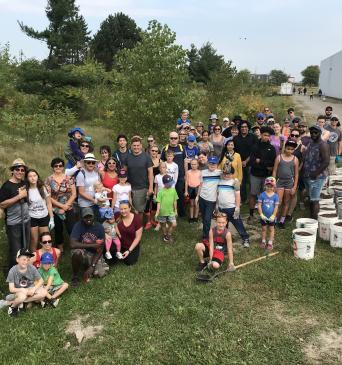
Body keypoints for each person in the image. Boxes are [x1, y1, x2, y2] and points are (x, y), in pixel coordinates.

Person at [0, 158, 30, 268]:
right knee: (16, 252)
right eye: (17, 169)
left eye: (22, 170)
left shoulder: (24, 183)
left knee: (25, 249)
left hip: (26, 222)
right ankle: (12, 275)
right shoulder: (6, 186)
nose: (20, 172)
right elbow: (2, 204)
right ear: (13, 170)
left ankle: (24, 274)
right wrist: (19, 196)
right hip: (14, 224)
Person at [45, 158, 76, 254]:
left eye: (60, 165)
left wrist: (66, 205)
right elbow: (48, 197)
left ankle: (75, 247)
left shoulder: (69, 178)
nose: (58, 167)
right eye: (56, 166)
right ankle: (60, 249)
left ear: (63, 167)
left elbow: (74, 194)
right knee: (58, 230)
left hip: (69, 207)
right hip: (55, 208)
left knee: (71, 228)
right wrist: (61, 207)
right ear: (52, 167)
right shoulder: (48, 180)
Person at [3, 248, 47, 317]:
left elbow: (41, 280)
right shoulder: (12, 270)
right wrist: (22, 290)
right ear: (17, 260)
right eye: (24, 259)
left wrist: (34, 288)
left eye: (28, 259)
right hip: (20, 291)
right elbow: (11, 289)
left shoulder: (31, 267)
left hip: (31, 289)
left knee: (44, 293)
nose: (26, 262)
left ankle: (15, 302)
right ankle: (13, 307)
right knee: (22, 296)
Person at [70, 207, 107, 287]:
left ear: (94, 216)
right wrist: (92, 245)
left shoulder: (99, 227)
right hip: (82, 250)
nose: (88, 219)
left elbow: (101, 248)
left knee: (100, 274)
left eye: (90, 216)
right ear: (82, 218)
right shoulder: (78, 225)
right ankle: (75, 276)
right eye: (85, 217)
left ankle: (88, 265)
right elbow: (72, 244)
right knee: (77, 253)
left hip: (94, 253)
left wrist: (92, 266)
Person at [247, 127, 276, 224]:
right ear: (261, 135)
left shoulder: (271, 148)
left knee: (266, 196)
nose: (266, 137)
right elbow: (252, 161)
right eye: (265, 135)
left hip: (266, 176)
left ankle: (265, 215)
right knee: (253, 194)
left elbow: (272, 163)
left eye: (268, 136)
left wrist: (260, 161)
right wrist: (265, 164)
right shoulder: (255, 146)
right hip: (255, 174)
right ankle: (251, 215)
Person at [217, 163, 250, 247]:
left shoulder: (234, 182)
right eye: (225, 174)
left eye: (229, 174)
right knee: (223, 225)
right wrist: (217, 205)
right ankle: (222, 240)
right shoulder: (220, 181)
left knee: (238, 223)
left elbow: (237, 196)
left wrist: (237, 207)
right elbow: (218, 194)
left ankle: (245, 238)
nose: (227, 175)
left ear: (232, 174)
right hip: (221, 208)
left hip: (231, 208)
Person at [302, 125, 330, 219]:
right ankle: (311, 218)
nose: (313, 134)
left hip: (317, 177)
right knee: (311, 198)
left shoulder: (323, 145)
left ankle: (314, 221)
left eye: (316, 132)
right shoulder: (311, 142)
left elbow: (326, 161)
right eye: (311, 132)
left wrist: (315, 173)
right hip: (307, 175)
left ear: (320, 133)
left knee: (315, 200)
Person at [272, 140, 299, 229]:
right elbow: (275, 171)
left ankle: (282, 221)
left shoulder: (295, 159)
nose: (289, 151)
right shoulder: (279, 157)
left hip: (289, 183)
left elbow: (296, 174)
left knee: (286, 202)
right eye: (288, 149)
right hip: (279, 181)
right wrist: (273, 183)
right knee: (278, 202)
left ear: (293, 150)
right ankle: (274, 220)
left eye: (291, 149)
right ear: (285, 148)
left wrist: (294, 187)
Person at [26, 169, 54, 251]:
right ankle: (33, 259)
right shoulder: (26, 190)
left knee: (45, 240)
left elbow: (49, 203)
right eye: (30, 176)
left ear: (37, 176)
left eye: (34, 175)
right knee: (34, 240)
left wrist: (51, 218)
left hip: (44, 217)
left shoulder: (43, 188)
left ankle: (47, 260)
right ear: (27, 178)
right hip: (32, 218)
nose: (33, 178)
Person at [126, 136, 154, 219]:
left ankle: (138, 228)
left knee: (139, 211)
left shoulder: (146, 157)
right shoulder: (128, 157)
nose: (136, 147)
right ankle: (131, 227)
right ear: (131, 146)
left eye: (138, 145)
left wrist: (151, 187)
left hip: (141, 187)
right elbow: (124, 172)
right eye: (134, 145)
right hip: (129, 187)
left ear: (141, 146)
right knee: (129, 209)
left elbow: (150, 173)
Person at [161, 132, 187, 217]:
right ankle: (167, 212)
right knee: (167, 194)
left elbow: (185, 162)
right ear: (169, 138)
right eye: (171, 138)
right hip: (167, 177)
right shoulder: (165, 148)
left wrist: (186, 174)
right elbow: (161, 162)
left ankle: (181, 213)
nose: (173, 140)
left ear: (178, 139)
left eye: (175, 138)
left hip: (179, 176)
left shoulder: (182, 148)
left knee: (179, 193)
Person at [196, 156, 221, 241]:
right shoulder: (203, 172)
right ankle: (206, 232)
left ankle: (206, 237)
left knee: (207, 219)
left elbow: (230, 174)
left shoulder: (220, 173)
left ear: (217, 164)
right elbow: (200, 184)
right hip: (202, 197)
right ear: (208, 163)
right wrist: (197, 196)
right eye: (210, 163)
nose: (212, 165)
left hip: (212, 200)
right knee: (204, 218)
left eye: (214, 163)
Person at [233, 121, 258, 203]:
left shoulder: (253, 137)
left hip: (251, 163)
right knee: (241, 182)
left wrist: (246, 161)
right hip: (239, 163)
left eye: (245, 127)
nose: (244, 128)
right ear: (240, 128)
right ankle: (243, 199)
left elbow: (255, 151)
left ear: (248, 128)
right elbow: (234, 152)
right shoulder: (236, 138)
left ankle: (253, 199)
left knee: (252, 182)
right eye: (242, 127)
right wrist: (240, 162)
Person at [115, 201, 143, 266]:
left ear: (130, 208)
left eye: (125, 208)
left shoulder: (137, 219)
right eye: (121, 209)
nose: (123, 211)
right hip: (119, 243)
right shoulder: (117, 215)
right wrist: (107, 234)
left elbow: (138, 237)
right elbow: (108, 223)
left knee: (129, 262)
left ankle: (129, 251)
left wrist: (129, 251)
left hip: (131, 245)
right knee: (113, 260)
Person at [76, 153, 101, 217]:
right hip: (85, 205)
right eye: (88, 162)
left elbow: (99, 186)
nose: (91, 164)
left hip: (96, 203)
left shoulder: (96, 173)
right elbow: (81, 192)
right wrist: (93, 200)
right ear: (85, 163)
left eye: (93, 163)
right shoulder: (81, 174)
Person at [258, 177, 279, 251]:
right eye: (267, 186)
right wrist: (261, 215)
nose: (269, 188)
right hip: (264, 216)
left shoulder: (276, 196)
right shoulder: (262, 195)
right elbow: (259, 205)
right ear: (265, 186)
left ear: (274, 187)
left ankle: (270, 242)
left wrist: (273, 215)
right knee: (263, 228)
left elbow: (276, 207)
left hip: (271, 217)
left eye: (271, 186)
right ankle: (263, 241)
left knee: (271, 229)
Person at [155, 175, 178, 243]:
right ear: (164, 184)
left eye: (171, 183)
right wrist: (157, 211)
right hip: (162, 212)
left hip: (171, 211)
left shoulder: (173, 190)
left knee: (174, 224)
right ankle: (165, 235)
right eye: (169, 184)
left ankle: (169, 235)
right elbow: (158, 202)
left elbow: (175, 201)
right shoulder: (160, 192)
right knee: (163, 225)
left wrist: (176, 210)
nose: (171, 185)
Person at [144, 145, 160, 229]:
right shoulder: (146, 161)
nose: (154, 152)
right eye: (152, 150)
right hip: (147, 185)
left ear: (158, 152)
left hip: (157, 186)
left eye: (156, 151)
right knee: (146, 204)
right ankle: (148, 221)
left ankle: (152, 219)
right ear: (150, 151)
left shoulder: (161, 161)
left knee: (154, 204)